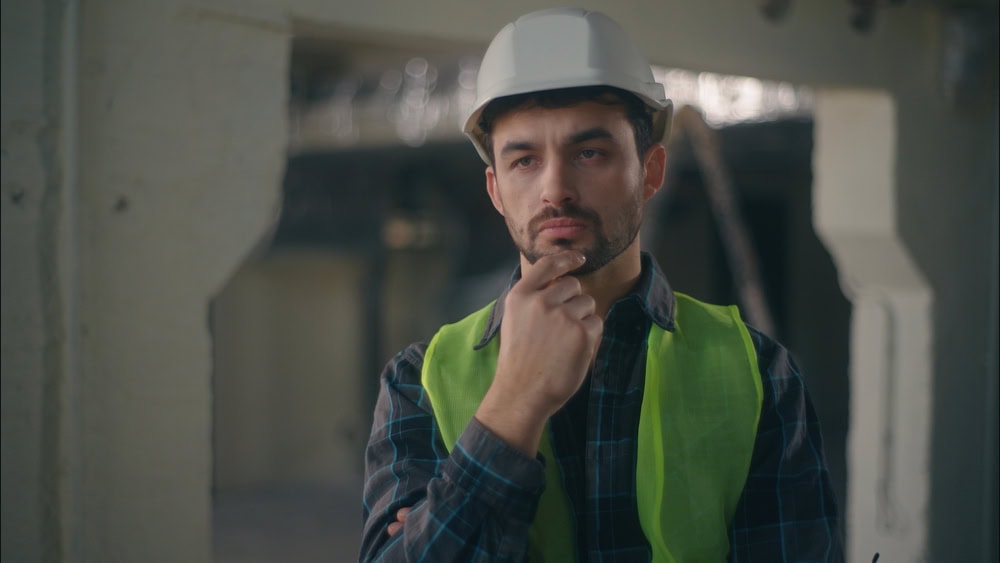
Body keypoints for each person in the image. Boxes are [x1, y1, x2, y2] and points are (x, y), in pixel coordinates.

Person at [360, 7, 842, 562]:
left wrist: (439, 520)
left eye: (589, 153)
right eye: (524, 160)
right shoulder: (416, 383)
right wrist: (513, 406)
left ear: (651, 172)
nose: (556, 189)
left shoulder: (759, 375)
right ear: (495, 190)